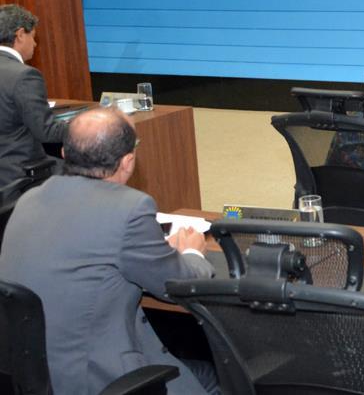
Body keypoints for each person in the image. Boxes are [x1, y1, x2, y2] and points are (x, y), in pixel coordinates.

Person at [0, 108, 217, 394]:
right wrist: (192, 253)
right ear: (128, 162)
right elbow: (179, 285)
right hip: (97, 378)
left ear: (65, 153)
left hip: (34, 374)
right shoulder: (130, 209)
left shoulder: (30, 199)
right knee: (216, 378)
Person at [0, 4, 67, 185]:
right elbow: (47, 131)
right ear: (20, 34)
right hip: (20, 174)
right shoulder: (24, 75)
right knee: (90, 173)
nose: (35, 44)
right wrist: (87, 126)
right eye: (33, 37)